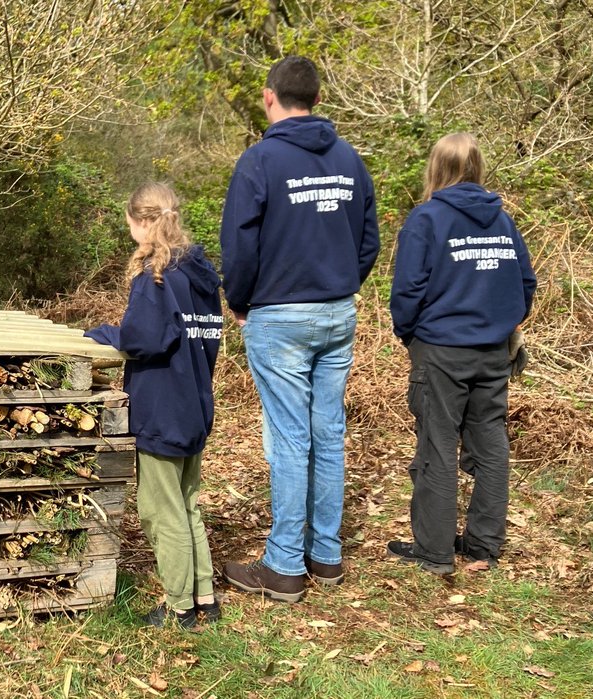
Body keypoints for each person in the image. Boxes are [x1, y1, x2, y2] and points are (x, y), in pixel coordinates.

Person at [219, 56, 379, 602]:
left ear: (270, 98)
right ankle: (327, 557)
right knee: (327, 435)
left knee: (291, 440)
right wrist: (338, 283)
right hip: (337, 312)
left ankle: (285, 565)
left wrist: (239, 301)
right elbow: (368, 241)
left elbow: (239, 246)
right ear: (315, 97)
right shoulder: (350, 160)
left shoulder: (259, 161)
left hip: (280, 316)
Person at [387, 132, 536, 574]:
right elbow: (525, 284)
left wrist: (410, 334)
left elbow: (408, 291)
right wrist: (500, 321)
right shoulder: (502, 220)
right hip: (492, 352)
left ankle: (435, 553)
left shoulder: (426, 220)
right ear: (477, 167)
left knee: (438, 444)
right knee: (491, 447)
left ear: (437, 168)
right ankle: (483, 546)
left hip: (441, 350)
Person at [85, 183, 224, 630]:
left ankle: (180, 606)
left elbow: (145, 338)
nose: (130, 233)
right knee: (187, 504)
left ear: (143, 222)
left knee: (160, 510)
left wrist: (107, 334)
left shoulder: (156, 276)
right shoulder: (200, 276)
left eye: (129, 225)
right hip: (196, 401)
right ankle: (205, 596)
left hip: (164, 407)